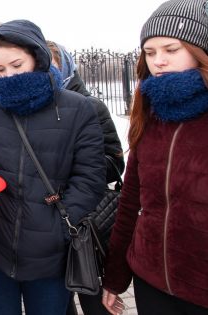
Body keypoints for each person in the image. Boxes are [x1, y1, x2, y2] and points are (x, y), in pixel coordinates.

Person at [0, 20, 106, 315]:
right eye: (0, 70)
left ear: (37, 58)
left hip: (49, 253)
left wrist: (58, 229)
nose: (8, 76)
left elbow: (90, 178)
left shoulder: (79, 109)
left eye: (16, 65)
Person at [102, 0, 208, 314]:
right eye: (150, 53)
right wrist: (115, 275)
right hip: (150, 280)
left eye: (170, 49)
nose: (158, 61)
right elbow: (131, 200)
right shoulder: (150, 114)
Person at [46, 40, 125, 315]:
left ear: (65, 67)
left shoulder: (92, 107)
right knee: (59, 296)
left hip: (87, 220)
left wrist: (72, 167)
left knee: (91, 291)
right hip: (50, 217)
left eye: (53, 67)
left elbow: (116, 162)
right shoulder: (37, 110)